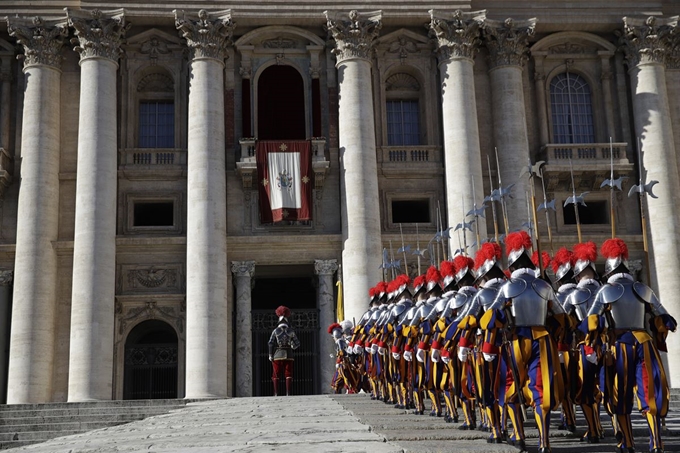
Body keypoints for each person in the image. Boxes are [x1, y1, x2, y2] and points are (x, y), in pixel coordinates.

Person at [585, 238, 676, 453]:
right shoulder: (642, 288)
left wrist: (594, 344)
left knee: (620, 395)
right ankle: (656, 442)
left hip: (620, 346)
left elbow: (591, 323)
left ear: (609, 271)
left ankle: (627, 442)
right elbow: (666, 319)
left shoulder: (605, 291)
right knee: (649, 392)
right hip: (644, 344)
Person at [268, 305, 300, 396]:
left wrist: (270, 354)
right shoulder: (291, 331)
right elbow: (297, 343)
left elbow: (270, 343)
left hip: (277, 355)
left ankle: (276, 393)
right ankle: (288, 393)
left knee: (276, 374)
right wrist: (292, 346)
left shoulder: (275, 331)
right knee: (288, 374)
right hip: (289, 355)